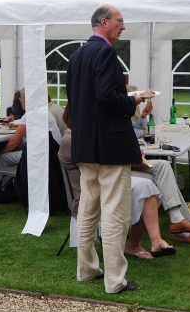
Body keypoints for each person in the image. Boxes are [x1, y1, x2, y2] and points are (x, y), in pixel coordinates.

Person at [65, 4, 145, 294]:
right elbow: (109, 97)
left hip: (85, 143)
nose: (123, 26)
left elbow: (74, 100)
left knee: (87, 209)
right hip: (110, 145)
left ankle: (86, 270)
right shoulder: (106, 52)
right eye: (120, 21)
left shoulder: (76, 56)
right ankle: (115, 280)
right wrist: (132, 101)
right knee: (115, 212)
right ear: (103, 22)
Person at [59, 104, 176, 259]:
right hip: (92, 193)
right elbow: (101, 165)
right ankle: (142, 242)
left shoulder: (81, 137)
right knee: (145, 186)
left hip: (105, 184)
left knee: (148, 186)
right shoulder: (70, 141)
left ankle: (153, 240)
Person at [0, 88, 62, 192]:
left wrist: (0, 153)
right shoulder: (45, 113)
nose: (20, 102)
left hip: (39, 157)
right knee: (11, 154)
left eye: (21, 99)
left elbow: (14, 141)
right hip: (52, 154)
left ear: (25, 100)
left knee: (3, 158)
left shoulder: (29, 115)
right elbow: (23, 142)